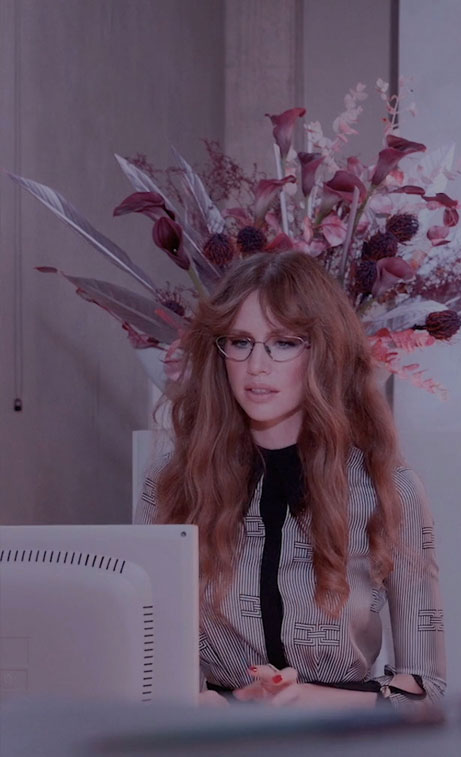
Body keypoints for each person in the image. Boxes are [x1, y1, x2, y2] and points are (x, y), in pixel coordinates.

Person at [138, 252, 444, 707]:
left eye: (283, 343)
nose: (256, 366)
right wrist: (218, 704)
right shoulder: (171, 483)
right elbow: (146, 672)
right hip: (216, 736)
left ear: (324, 352)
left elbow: (427, 691)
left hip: (339, 735)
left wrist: (310, 699)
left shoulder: (387, 489)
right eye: (240, 342)